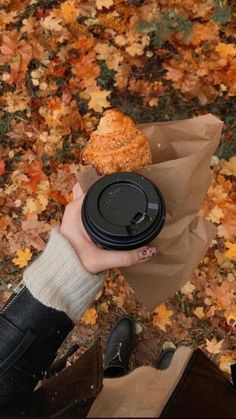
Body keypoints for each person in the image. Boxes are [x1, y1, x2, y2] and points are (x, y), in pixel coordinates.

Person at [0, 182, 236, 417]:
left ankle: (115, 372)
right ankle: (148, 377)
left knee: (121, 392)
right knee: (168, 390)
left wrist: (64, 272)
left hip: (83, 406)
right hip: (201, 406)